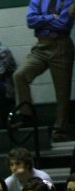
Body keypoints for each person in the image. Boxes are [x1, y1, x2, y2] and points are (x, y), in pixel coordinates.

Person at [13, 1, 74, 141]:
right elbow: (30, 20)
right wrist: (51, 17)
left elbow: (63, 24)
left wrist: (41, 20)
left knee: (62, 91)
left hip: (61, 44)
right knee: (19, 75)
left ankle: (59, 130)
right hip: (41, 45)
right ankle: (26, 116)